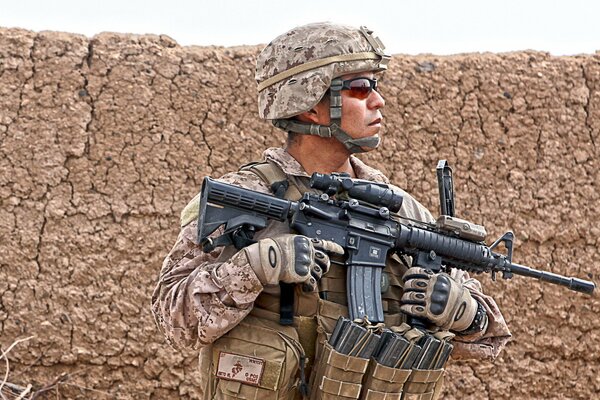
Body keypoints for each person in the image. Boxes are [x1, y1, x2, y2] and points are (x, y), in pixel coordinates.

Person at [151, 22, 511, 399]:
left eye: (376, 86)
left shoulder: (404, 212)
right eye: (359, 88)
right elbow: (173, 320)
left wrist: (466, 313)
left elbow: (491, 339)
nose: (378, 101)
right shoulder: (244, 196)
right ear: (308, 105)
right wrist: (252, 268)